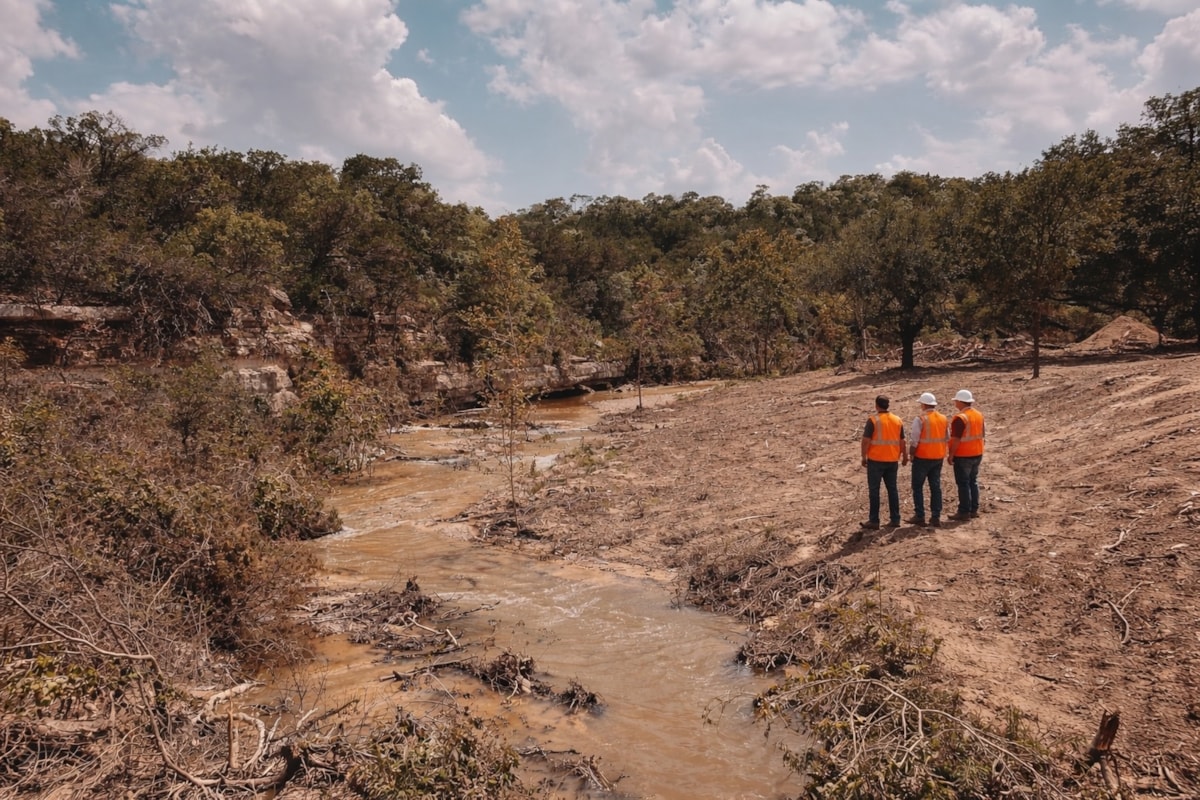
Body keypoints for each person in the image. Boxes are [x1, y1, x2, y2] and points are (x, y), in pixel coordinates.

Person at [860, 395, 907, 529]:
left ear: (876, 405)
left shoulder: (873, 420)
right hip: (892, 460)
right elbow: (902, 440)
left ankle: (874, 520)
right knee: (892, 489)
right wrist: (904, 456)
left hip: (876, 460)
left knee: (874, 491)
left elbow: (866, 441)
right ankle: (895, 519)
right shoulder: (897, 420)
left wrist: (863, 456)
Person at [906, 391, 947, 527]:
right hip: (938, 457)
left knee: (917, 487)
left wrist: (911, 454)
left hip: (922, 457)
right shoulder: (943, 418)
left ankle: (920, 515)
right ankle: (936, 516)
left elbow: (914, 440)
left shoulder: (920, 419)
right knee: (935, 487)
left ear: (923, 405)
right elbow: (947, 437)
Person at [947, 389, 985, 521]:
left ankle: (964, 511)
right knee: (973, 482)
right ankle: (973, 509)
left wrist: (951, 454)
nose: (955, 403)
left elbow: (956, 439)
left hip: (964, 455)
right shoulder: (979, 415)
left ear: (960, 401)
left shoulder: (960, 418)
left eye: (956, 400)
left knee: (963, 483)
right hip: (977, 453)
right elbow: (982, 434)